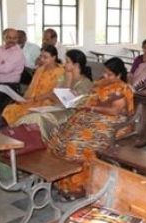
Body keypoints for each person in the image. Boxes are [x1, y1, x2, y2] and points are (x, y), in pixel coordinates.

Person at [48, 57, 134, 199]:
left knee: (75, 144)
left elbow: (114, 112)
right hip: (91, 117)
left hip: (112, 123)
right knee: (58, 134)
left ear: (118, 75)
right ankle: (61, 181)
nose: (105, 76)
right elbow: (91, 97)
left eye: (109, 74)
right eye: (105, 72)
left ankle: (79, 186)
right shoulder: (100, 83)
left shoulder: (121, 88)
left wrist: (91, 108)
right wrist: (79, 99)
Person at [13, 49, 93, 140]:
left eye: (67, 62)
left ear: (76, 65)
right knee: (29, 115)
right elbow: (54, 95)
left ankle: (29, 142)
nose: (64, 64)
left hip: (70, 114)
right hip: (57, 108)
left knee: (36, 118)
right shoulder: (65, 76)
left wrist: (68, 82)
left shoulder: (85, 83)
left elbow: (70, 104)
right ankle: (18, 141)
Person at [1, 45, 64, 126]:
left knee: (25, 113)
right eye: (41, 56)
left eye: (45, 57)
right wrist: (23, 99)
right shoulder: (40, 69)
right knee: (10, 109)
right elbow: (31, 87)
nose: (42, 59)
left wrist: (33, 99)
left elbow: (54, 92)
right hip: (32, 99)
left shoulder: (61, 72)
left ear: (54, 57)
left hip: (47, 101)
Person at [0, 28, 26, 119]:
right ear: (4, 37)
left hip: (9, 86)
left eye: (14, 38)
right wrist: (0, 63)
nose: (11, 40)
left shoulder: (18, 53)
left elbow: (5, 69)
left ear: (17, 39)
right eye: (8, 37)